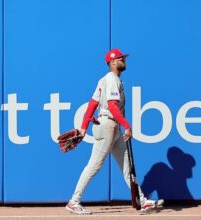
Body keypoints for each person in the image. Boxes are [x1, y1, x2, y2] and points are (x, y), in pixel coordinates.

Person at [65, 48, 157, 215]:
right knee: (94, 165)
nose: (125, 61)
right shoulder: (112, 79)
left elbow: (92, 105)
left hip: (111, 127)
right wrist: (127, 125)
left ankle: (142, 201)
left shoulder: (103, 80)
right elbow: (113, 106)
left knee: (126, 167)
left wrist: (83, 128)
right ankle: (74, 201)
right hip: (108, 125)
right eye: (122, 59)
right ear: (114, 62)